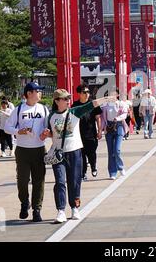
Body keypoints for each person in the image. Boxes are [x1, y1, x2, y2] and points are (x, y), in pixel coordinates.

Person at [41, 89, 113, 223]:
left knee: (75, 181)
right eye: (65, 98)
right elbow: (51, 134)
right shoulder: (51, 116)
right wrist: (46, 134)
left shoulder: (74, 112)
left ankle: (74, 207)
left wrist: (107, 99)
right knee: (60, 181)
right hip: (59, 154)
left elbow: (91, 105)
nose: (68, 100)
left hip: (74, 151)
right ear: (57, 101)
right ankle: (61, 210)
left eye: (69, 98)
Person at [4, 82, 49, 222]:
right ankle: (24, 202)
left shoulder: (44, 109)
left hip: (39, 149)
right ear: (29, 93)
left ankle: (37, 209)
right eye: (38, 91)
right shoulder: (19, 110)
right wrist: (19, 131)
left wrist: (46, 133)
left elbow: (49, 127)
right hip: (22, 150)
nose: (40, 93)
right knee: (22, 180)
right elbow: (7, 127)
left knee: (39, 180)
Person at [71, 84, 103, 181]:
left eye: (88, 92)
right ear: (79, 94)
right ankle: (83, 173)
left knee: (91, 153)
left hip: (91, 133)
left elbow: (98, 118)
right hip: (79, 135)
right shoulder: (75, 105)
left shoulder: (93, 104)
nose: (87, 94)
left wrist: (100, 130)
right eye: (84, 92)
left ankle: (93, 166)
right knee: (82, 155)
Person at [102, 90, 129, 180]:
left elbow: (125, 114)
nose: (112, 96)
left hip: (119, 125)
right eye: (110, 94)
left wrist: (117, 118)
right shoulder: (105, 105)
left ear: (117, 94)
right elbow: (103, 118)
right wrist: (101, 130)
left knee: (117, 149)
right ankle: (112, 172)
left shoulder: (121, 104)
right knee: (110, 151)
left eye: (114, 94)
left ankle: (120, 167)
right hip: (109, 127)